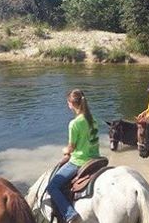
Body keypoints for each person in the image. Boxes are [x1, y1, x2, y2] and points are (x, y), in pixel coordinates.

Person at [46, 89, 100, 223]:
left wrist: (66, 151)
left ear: (71, 104)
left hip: (80, 161)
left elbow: (72, 147)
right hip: (96, 158)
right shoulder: (93, 119)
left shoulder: (74, 123)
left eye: (68, 102)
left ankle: (70, 214)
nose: (67, 104)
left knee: (52, 187)